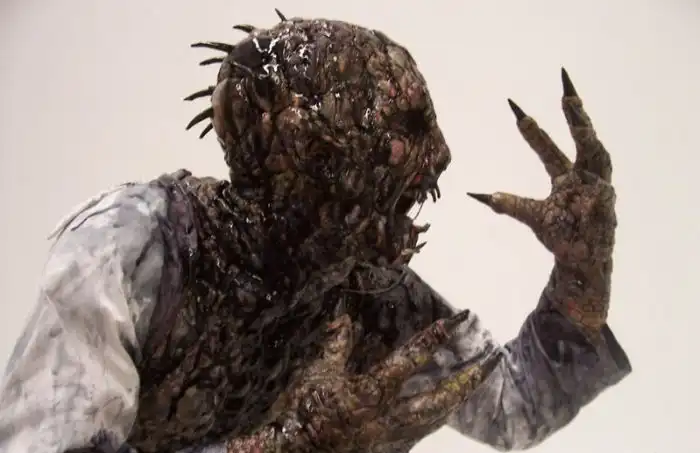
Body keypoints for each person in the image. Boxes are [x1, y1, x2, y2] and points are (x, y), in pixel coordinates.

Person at [0, 13, 631, 453]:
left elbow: (511, 408)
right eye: (409, 124)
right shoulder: (134, 250)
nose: (441, 153)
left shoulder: (365, 289)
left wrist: (580, 281)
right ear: (305, 147)